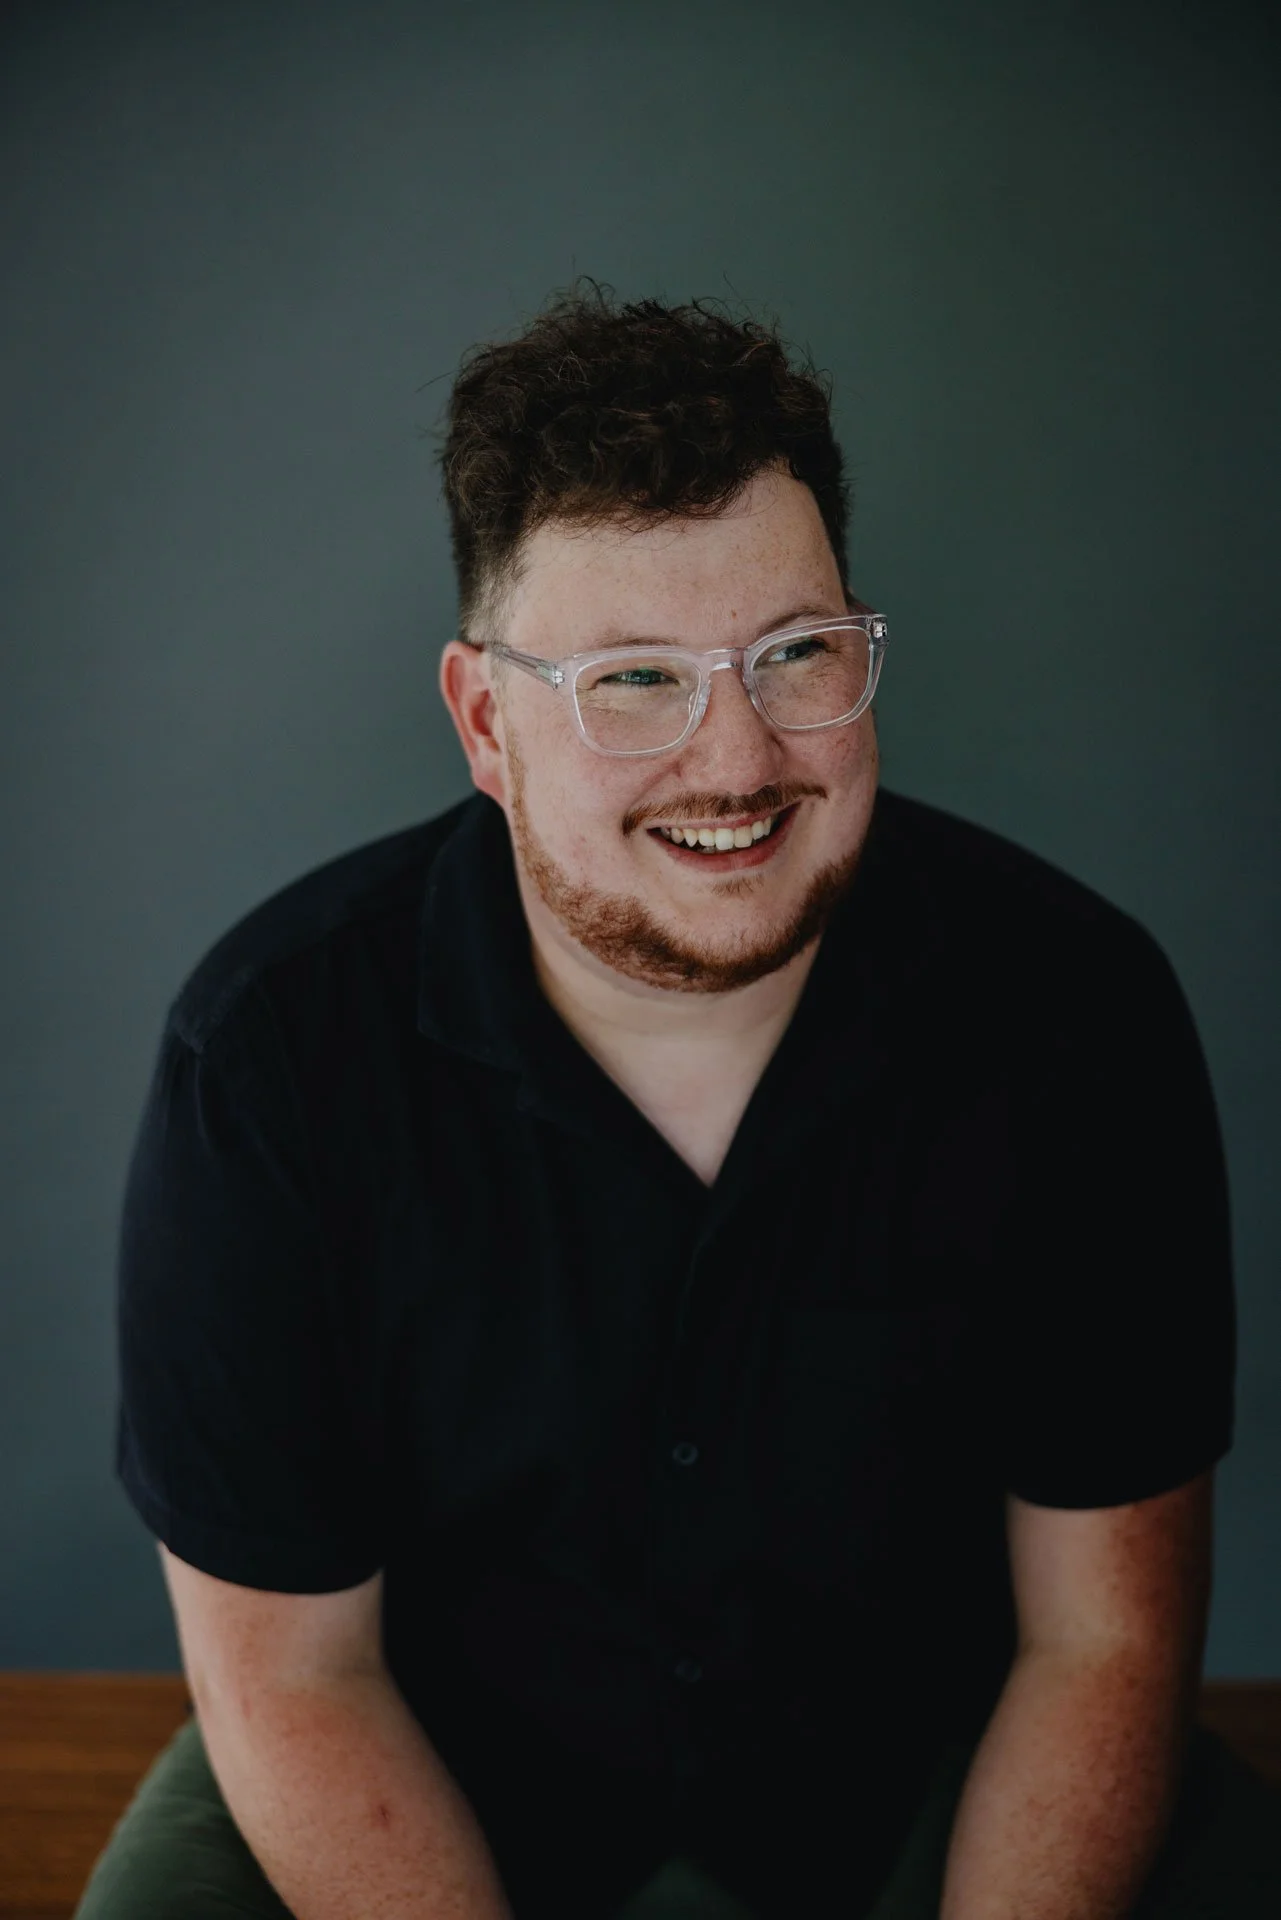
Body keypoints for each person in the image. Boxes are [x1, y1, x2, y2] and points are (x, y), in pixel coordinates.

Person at [79, 281, 1278, 1920]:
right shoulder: (272, 1063)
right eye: (631, 681)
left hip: (940, 1762)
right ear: (486, 722)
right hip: (410, 1768)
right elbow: (294, 1680)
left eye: (795, 654)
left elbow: (1105, 1640)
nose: (736, 759)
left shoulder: (1076, 1014)